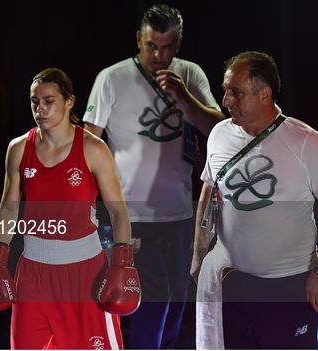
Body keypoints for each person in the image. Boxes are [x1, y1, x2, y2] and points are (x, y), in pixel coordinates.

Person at [83, 4, 224, 349]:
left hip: (179, 213)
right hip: (129, 214)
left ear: (178, 44)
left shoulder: (190, 74)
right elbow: (87, 142)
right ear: (138, 40)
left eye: (166, 47)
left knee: (176, 300)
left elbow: (220, 131)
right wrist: (86, 204)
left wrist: (184, 98)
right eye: (150, 46)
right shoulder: (112, 78)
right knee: (151, 299)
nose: (157, 55)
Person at [192, 51, 318, 349]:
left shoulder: (306, 142)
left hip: (287, 285)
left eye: (235, 92)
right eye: (225, 91)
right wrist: (199, 252)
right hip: (232, 279)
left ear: (264, 94)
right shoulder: (218, 135)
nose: (226, 101)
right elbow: (208, 191)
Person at [0, 68, 141, 349]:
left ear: (69, 102)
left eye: (48, 101)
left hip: (84, 274)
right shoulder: (18, 148)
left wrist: (123, 261)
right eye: (34, 101)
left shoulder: (93, 149)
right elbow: (8, 208)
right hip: (33, 274)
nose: (39, 109)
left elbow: (118, 212)